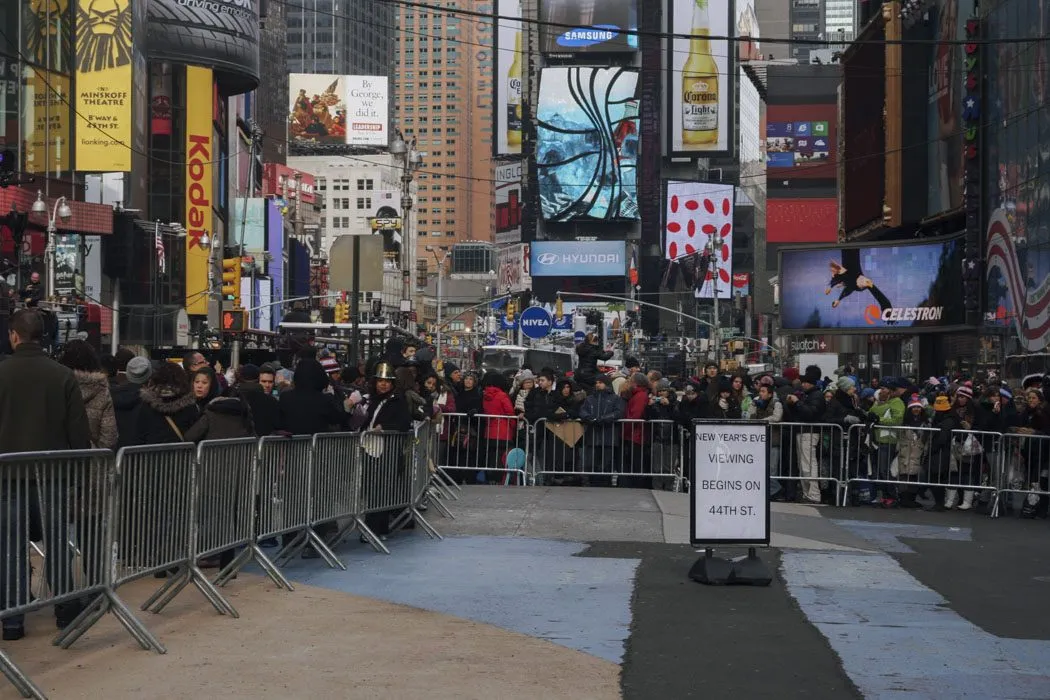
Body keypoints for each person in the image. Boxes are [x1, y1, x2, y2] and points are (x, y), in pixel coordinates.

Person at [0, 309, 92, 640]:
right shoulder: (62, 375)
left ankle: (12, 620)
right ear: (42, 336)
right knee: (57, 542)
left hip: (8, 477)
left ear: (14, 335)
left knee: (10, 548)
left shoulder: (2, 373)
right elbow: (78, 430)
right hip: (53, 475)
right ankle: (66, 609)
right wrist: (79, 472)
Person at [362, 362, 413, 538]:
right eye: (380, 381)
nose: (383, 384)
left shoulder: (398, 401)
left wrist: (383, 428)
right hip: (368, 450)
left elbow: (404, 423)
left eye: (387, 381)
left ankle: (378, 528)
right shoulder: (368, 399)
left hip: (387, 451)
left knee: (382, 491)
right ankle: (370, 527)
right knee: (371, 490)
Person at [59, 339, 118, 450]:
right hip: (91, 460)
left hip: (58, 461)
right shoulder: (101, 391)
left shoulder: (57, 386)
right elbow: (110, 437)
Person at [785, 365, 827, 505]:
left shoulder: (816, 396)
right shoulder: (810, 395)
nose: (802, 384)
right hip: (803, 431)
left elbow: (810, 413)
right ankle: (808, 493)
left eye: (804, 382)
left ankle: (813, 493)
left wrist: (797, 403)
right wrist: (793, 404)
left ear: (809, 383)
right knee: (804, 464)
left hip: (808, 432)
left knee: (808, 464)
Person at [134, 362, 201, 444]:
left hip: (152, 454)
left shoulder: (147, 404)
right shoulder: (190, 406)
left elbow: (140, 434)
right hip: (182, 454)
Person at [578, 374, 624, 486]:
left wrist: (603, 419)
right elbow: (582, 411)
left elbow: (618, 412)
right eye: (597, 382)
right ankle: (593, 482)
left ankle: (605, 483)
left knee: (606, 463)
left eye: (600, 382)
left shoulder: (615, 398)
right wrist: (589, 418)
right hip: (593, 435)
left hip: (608, 436)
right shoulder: (590, 398)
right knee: (591, 462)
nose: (598, 385)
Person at [749, 381, 785, 498]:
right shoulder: (756, 402)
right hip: (759, 440)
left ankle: (775, 490)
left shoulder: (776, 403)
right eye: (760, 391)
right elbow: (750, 417)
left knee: (772, 469)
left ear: (770, 394)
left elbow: (776, 417)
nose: (761, 394)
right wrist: (753, 406)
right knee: (760, 468)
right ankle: (772, 491)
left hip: (773, 440)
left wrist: (762, 421)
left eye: (763, 391)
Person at [481, 372, 516, 484]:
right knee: (501, 457)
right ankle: (498, 478)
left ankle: (490, 477)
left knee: (491, 456)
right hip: (503, 431)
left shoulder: (486, 396)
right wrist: (513, 426)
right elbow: (510, 412)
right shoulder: (502, 395)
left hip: (489, 431)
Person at [112, 356, 152, 449]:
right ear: (149, 375)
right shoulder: (152, 400)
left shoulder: (111, 395)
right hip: (142, 453)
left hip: (115, 452)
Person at [233, 364, 280, 436]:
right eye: (263, 381)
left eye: (270, 382)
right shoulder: (237, 396)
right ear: (257, 381)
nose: (267, 385)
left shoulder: (274, 400)